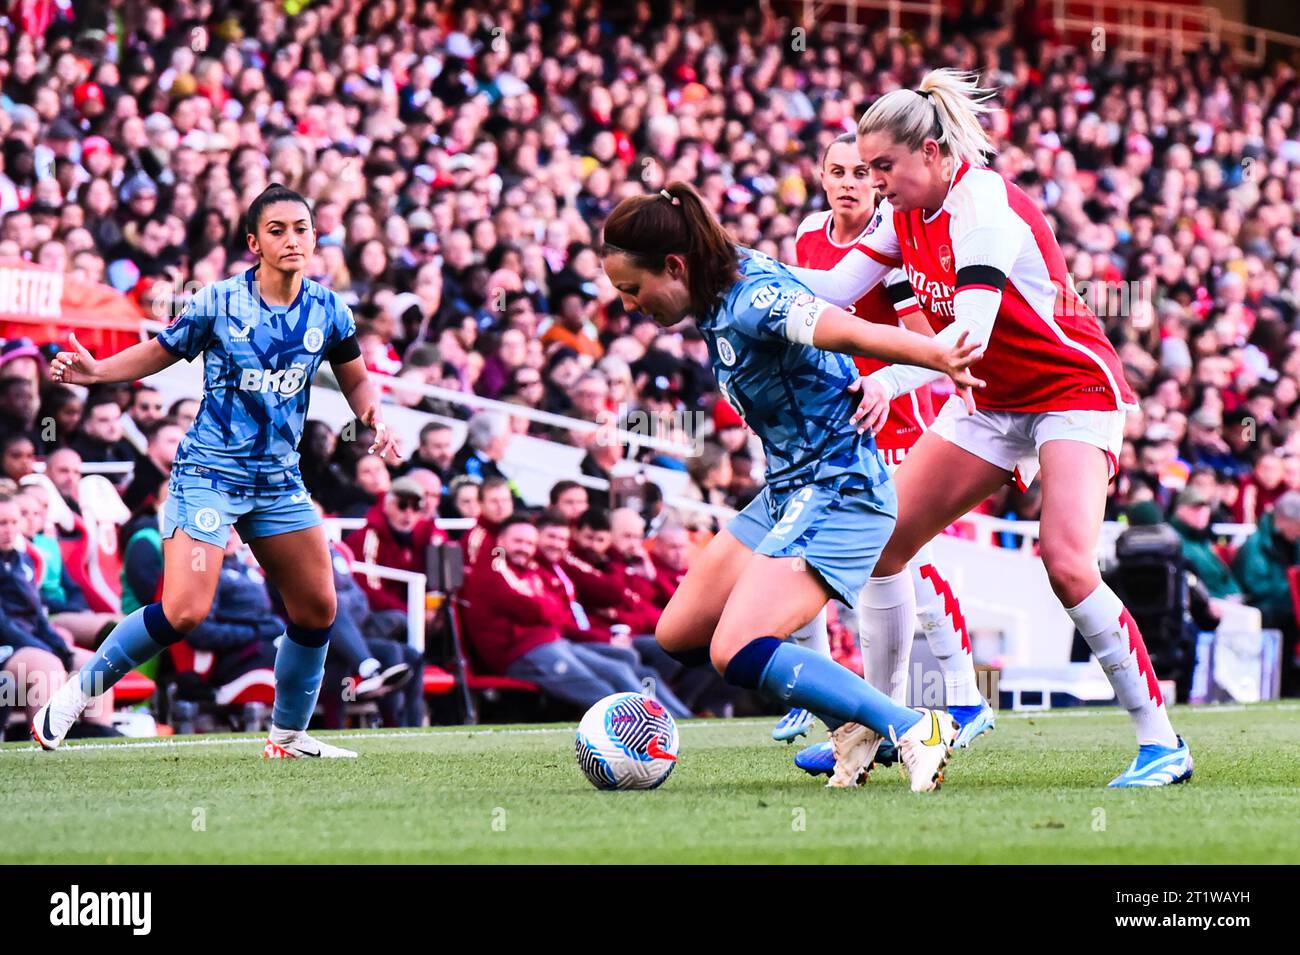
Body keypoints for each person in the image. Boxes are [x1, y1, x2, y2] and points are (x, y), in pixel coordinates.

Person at [783, 70, 1190, 787]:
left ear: (933, 153)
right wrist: (733, 274)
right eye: (866, 168)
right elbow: (833, 290)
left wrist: (889, 373)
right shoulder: (900, 212)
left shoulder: (987, 206)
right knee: (883, 538)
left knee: (1065, 561)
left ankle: (1162, 744)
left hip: (1071, 390)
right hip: (991, 399)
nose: (875, 182)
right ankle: (883, 726)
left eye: (885, 167)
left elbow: (965, 332)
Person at [600, 181, 983, 791]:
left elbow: (845, 330)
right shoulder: (714, 286)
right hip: (788, 489)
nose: (628, 305)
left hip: (838, 489)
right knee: (680, 633)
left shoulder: (753, 298)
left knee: (738, 648)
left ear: (674, 265)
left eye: (632, 290)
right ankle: (852, 725)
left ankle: (911, 725)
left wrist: (935, 354)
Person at [34, 183, 401, 759]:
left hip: (279, 480)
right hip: (208, 474)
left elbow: (353, 375)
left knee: (318, 608)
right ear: (254, 242)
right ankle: (75, 694)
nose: (291, 240)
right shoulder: (219, 302)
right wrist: (97, 372)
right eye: (276, 230)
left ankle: (287, 735)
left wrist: (372, 413)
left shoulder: (329, 309)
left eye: (301, 228)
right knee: (185, 609)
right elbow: (161, 349)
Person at [784, 131, 994, 771]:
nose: (850, 181)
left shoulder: (892, 242)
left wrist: (883, 381)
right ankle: (844, 709)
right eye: (837, 170)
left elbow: (930, 346)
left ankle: (956, 696)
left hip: (896, 409)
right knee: (815, 544)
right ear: (821, 178)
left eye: (862, 171)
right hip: (840, 413)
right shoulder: (808, 236)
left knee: (898, 551)